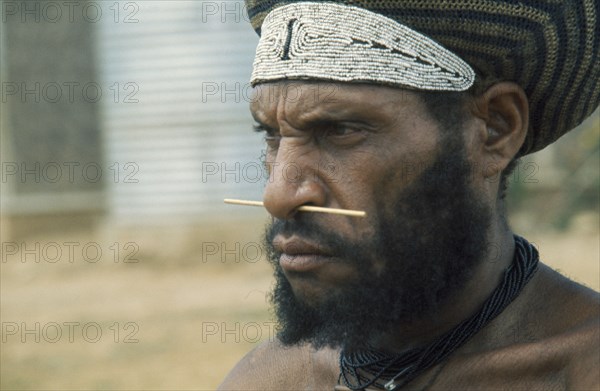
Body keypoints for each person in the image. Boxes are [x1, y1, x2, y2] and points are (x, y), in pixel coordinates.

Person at [219, 1, 599, 390]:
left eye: (341, 130)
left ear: (495, 129)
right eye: (271, 135)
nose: (278, 196)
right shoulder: (269, 380)